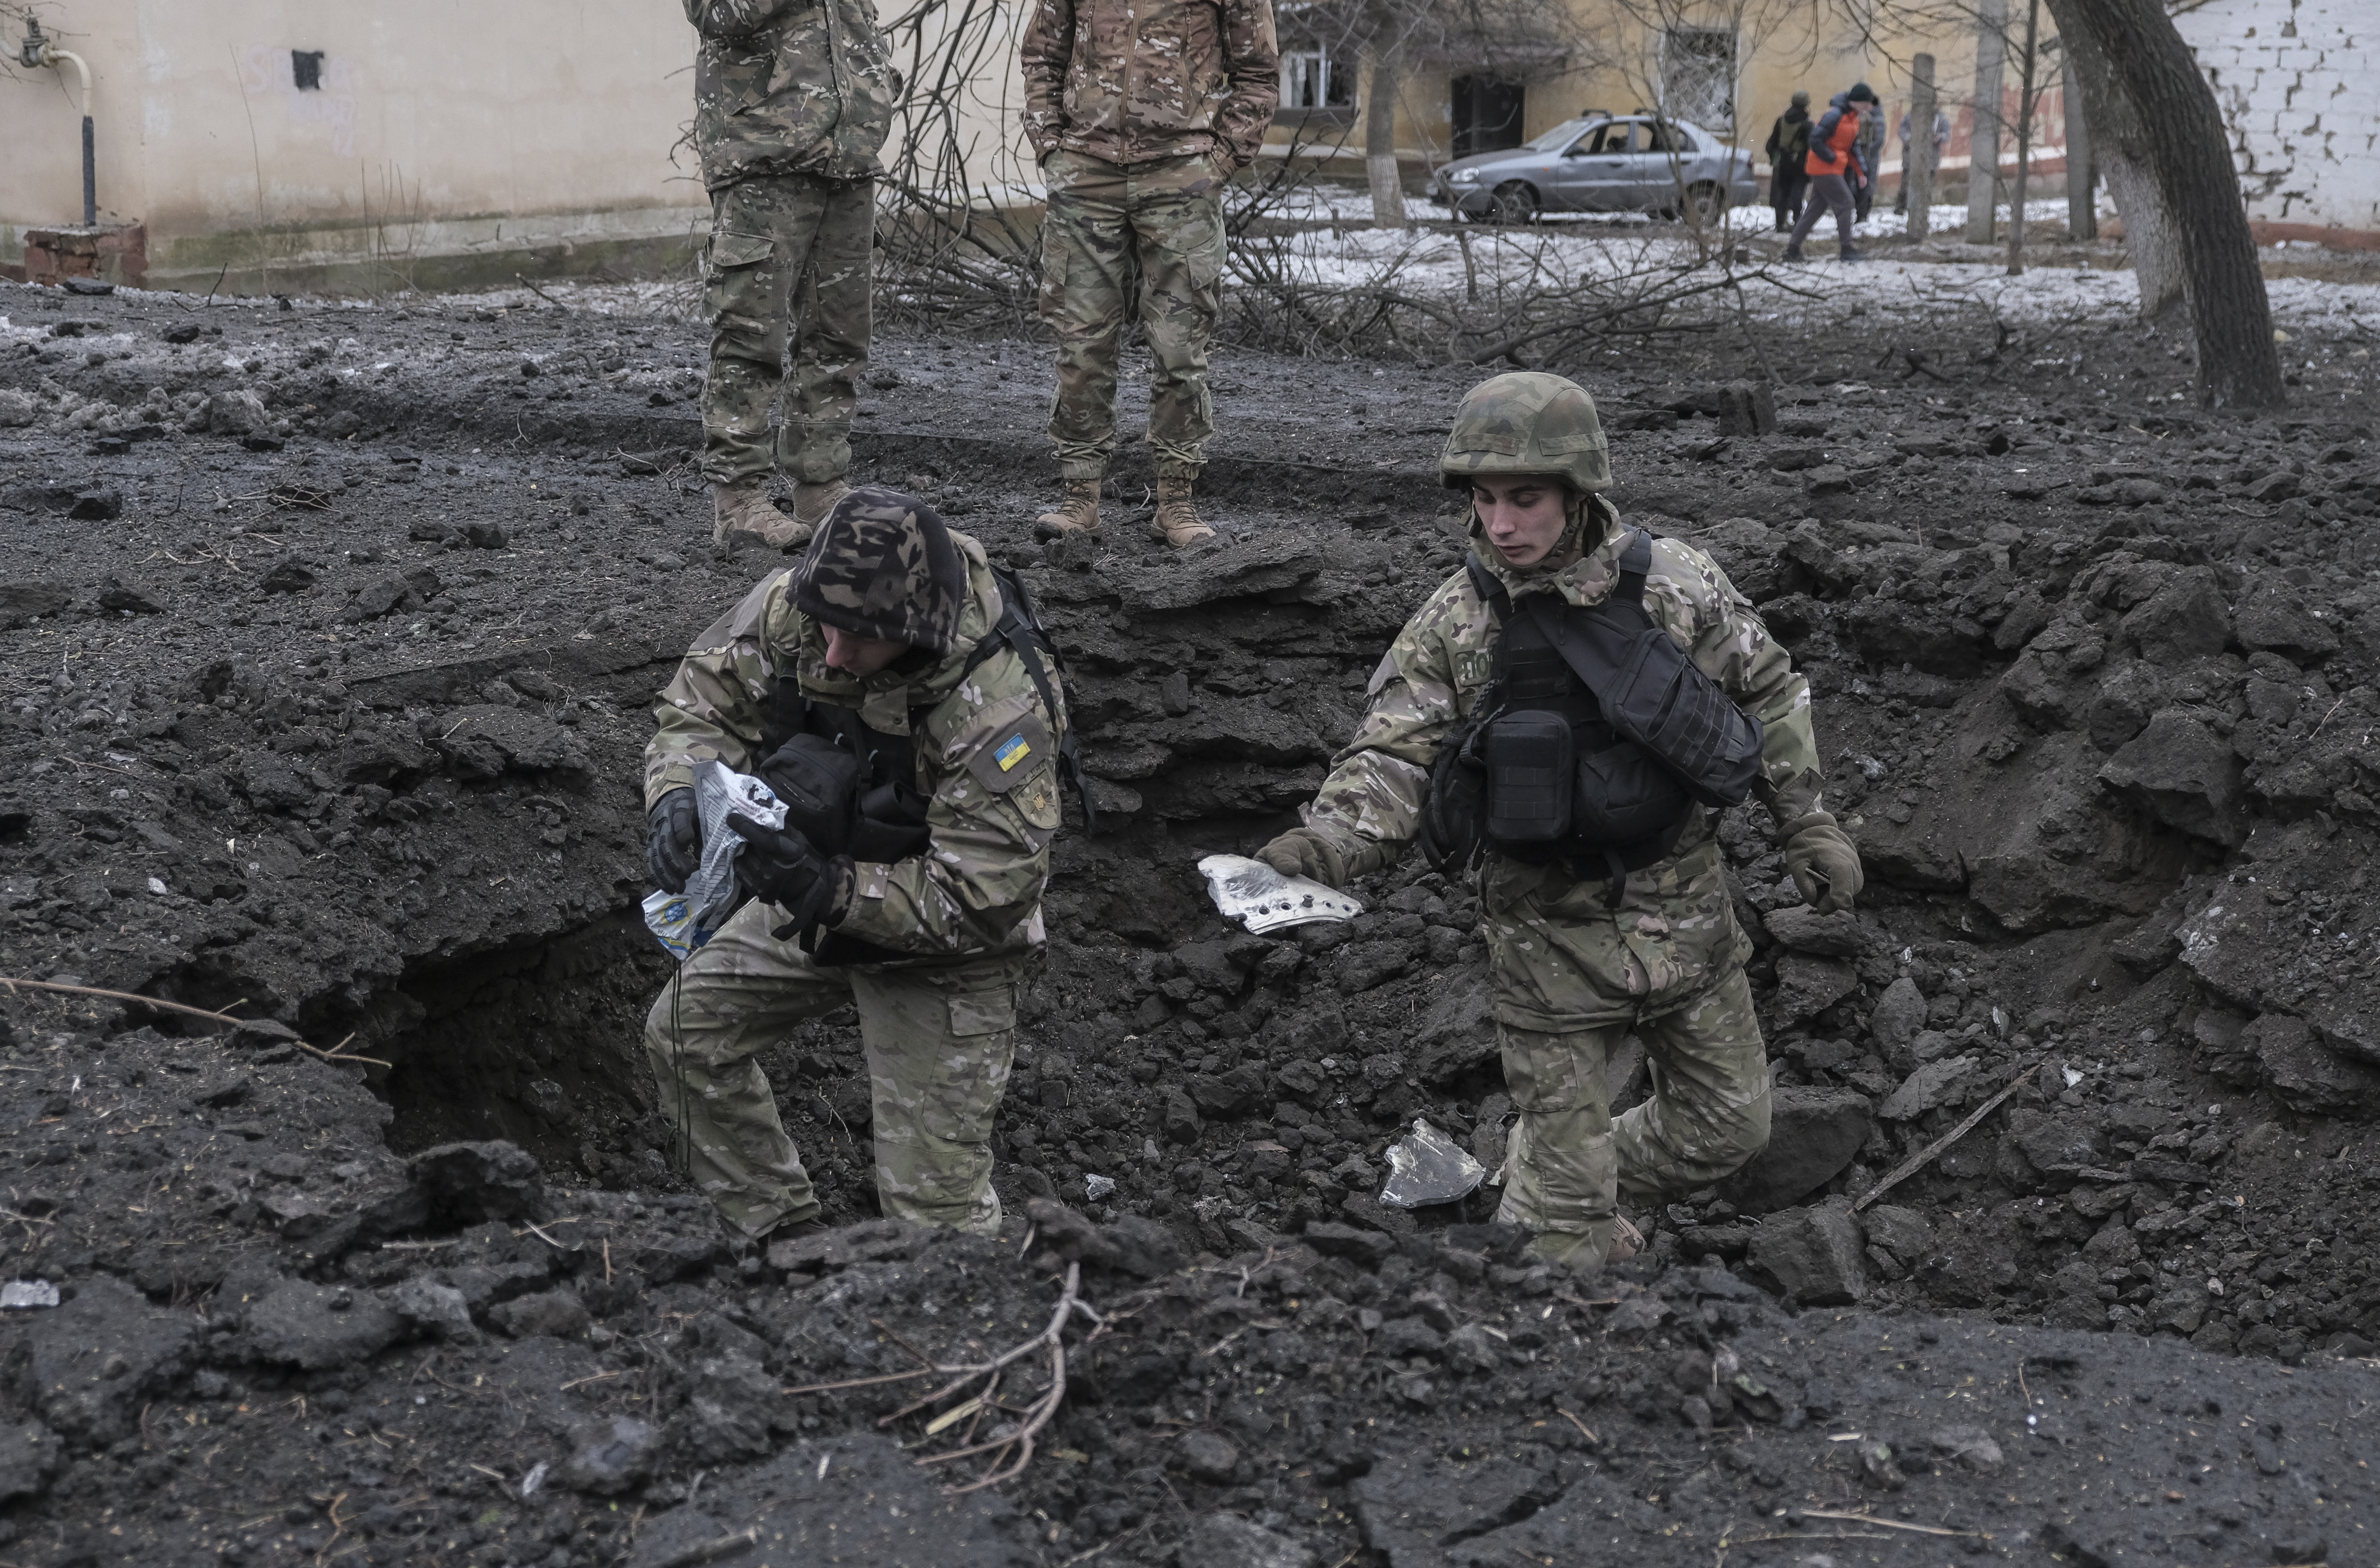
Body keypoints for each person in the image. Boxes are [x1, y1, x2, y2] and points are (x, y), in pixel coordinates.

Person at [1257, 373, 1859, 1268]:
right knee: (1571, 1237)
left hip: (1684, 914)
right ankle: (1561, 1258)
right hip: (1545, 939)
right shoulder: (1458, 622)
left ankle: (1538, 1187)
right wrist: (1328, 845)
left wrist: (1808, 822)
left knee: (1729, 1128)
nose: (1501, 524)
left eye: (1525, 499)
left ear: (1579, 492)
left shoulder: (1676, 587)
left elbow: (1768, 688)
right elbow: (1390, 754)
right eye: (1485, 499)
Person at [641, 488, 1071, 1245]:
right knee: (685, 1031)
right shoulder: (805, 605)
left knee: (934, 1218)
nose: (834, 654)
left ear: (918, 631)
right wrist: (678, 788)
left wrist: (829, 889)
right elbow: (703, 702)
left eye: (860, 641)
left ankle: (961, 1332)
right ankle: (779, 1239)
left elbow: (986, 897)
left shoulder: (999, 708)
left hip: (946, 945)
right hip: (818, 879)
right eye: (826, 630)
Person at [1020, 0, 1279, 548]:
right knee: (1081, 341)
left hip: (1180, 174)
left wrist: (1221, 159)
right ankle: (1080, 498)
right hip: (1085, 171)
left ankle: (1175, 502)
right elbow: (1043, 54)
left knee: (1179, 348)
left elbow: (1257, 72)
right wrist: (1049, 145)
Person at [685, 0, 897, 555]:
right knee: (750, 335)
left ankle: (821, 485)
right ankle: (738, 502)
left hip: (848, 156)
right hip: (764, 154)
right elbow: (717, 14)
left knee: (839, 336)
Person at [1784, 82, 1878, 262]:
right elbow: (1815, 139)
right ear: (1856, 102)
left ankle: (1792, 250)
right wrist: (1831, 158)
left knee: (1815, 209)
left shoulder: (1854, 121)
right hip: (1823, 168)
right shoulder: (1835, 116)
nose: (1869, 107)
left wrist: (1861, 173)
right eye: (1866, 103)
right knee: (1846, 202)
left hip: (1833, 168)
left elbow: (1853, 149)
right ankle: (1847, 249)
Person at [1762, 92, 1811, 234]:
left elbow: (1771, 144)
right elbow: (1811, 146)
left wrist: (1775, 157)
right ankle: (1798, 224)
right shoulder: (1807, 124)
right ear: (1806, 105)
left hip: (1783, 164)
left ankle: (1779, 224)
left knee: (1783, 194)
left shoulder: (1781, 120)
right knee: (1798, 193)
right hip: (1800, 164)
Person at [1894, 107, 1951, 216]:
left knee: (1928, 185)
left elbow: (1947, 133)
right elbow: (1902, 130)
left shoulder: (1940, 117)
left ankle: (1923, 210)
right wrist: (1910, 138)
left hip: (1932, 158)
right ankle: (1901, 208)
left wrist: (1939, 138)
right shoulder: (1912, 115)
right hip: (1911, 157)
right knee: (1906, 184)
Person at [1853, 98, 1887, 223]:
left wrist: (1865, 154)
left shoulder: (1878, 121)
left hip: (1870, 160)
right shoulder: (1863, 118)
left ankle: (1862, 216)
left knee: (1866, 187)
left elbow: (1878, 142)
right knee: (1858, 186)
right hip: (1861, 159)